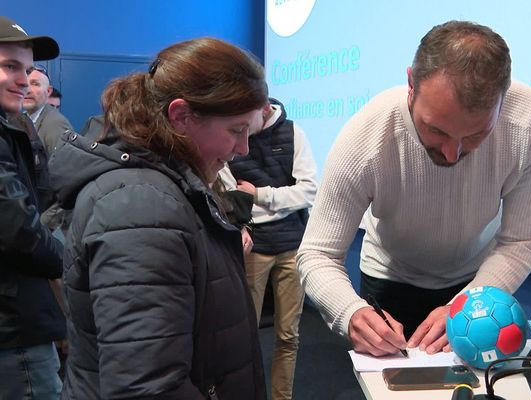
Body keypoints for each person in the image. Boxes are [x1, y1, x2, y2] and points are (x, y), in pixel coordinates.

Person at [297, 20, 531, 357]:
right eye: (437, 131)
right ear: (410, 84)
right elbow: (317, 253)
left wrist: (466, 302)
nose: (453, 154)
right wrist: (350, 312)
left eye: (476, 134)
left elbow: (520, 241)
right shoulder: (366, 136)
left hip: (480, 280)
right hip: (390, 280)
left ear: (502, 102)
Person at [48, 37, 269, 399]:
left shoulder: (162, 189)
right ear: (180, 116)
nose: (243, 148)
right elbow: (149, 389)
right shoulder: (139, 206)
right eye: (236, 130)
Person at [220, 97, 318, 400]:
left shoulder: (293, 133)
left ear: (264, 110)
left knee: (289, 336)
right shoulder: (234, 134)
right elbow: (226, 190)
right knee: (244, 335)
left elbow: (308, 191)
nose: (244, 137)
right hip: (252, 246)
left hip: (291, 245)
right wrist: (242, 223)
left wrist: (260, 194)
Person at [0, 16, 65, 399]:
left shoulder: (12, 127)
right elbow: (19, 230)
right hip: (13, 327)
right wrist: (72, 261)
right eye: (10, 66)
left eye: (27, 69)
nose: (23, 80)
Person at [23, 65, 74, 156]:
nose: (27, 90)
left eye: (35, 84)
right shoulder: (23, 119)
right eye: (24, 84)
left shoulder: (55, 123)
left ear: (48, 91)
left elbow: (64, 167)